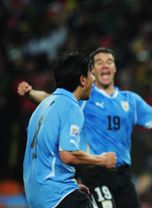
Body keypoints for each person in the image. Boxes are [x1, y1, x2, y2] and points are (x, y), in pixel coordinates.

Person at [18, 47, 152, 208]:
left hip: (122, 174)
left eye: (109, 61)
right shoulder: (84, 100)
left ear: (115, 68)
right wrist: (31, 93)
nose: (104, 65)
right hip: (95, 171)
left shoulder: (130, 100)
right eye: (98, 62)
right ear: (91, 72)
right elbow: (55, 101)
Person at [23, 52, 117, 208]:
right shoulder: (71, 107)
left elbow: (45, 153)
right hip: (56, 194)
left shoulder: (42, 107)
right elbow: (68, 155)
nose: (94, 80)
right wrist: (102, 160)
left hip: (37, 197)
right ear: (82, 80)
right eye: (91, 75)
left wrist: (70, 184)